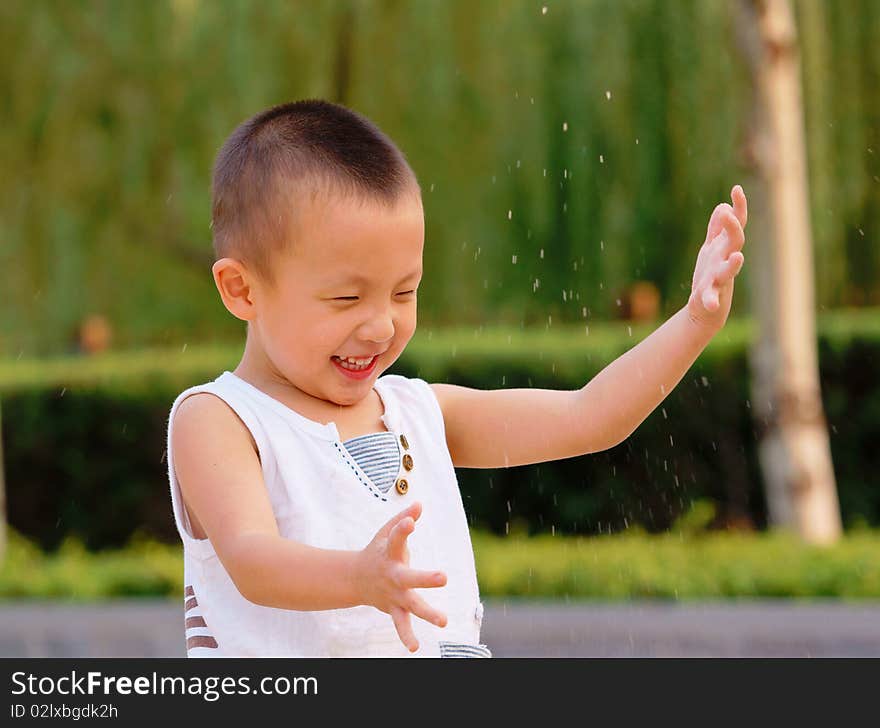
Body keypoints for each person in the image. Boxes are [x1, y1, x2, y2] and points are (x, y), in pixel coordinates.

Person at [167, 99, 747, 658]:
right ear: (242, 289)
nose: (379, 325)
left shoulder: (421, 413)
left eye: (404, 292)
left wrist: (695, 320)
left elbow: (590, 416)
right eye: (346, 298)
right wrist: (358, 576)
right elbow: (253, 560)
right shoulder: (222, 420)